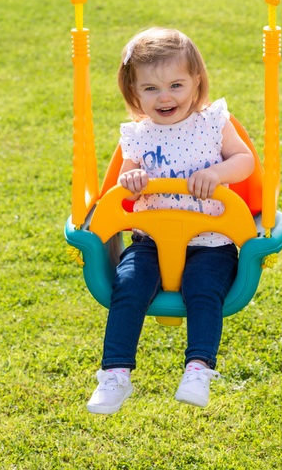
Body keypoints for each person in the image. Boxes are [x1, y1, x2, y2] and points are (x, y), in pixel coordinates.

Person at [87, 27, 255, 415]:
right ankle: (115, 374)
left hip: (211, 241)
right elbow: (123, 190)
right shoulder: (137, 136)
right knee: (128, 287)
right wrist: (131, 180)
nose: (165, 97)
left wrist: (217, 173)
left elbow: (244, 160)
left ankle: (198, 369)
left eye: (176, 85)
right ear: (133, 92)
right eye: (151, 88)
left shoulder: (213, 122)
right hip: (150, 242)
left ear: (197, 81)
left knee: (204, 291)